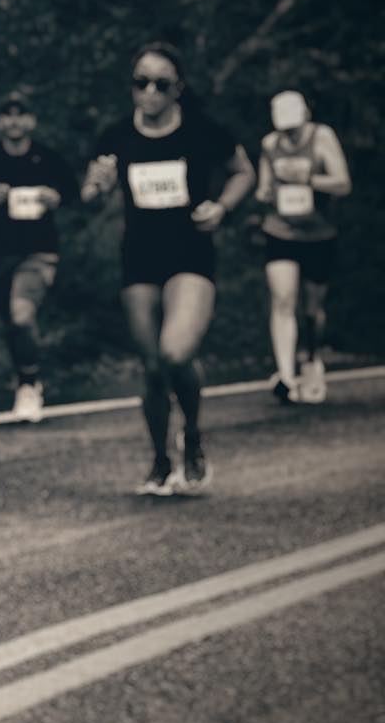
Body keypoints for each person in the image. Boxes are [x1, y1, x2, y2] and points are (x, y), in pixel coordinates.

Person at [80, 42, 254, 496]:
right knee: (153, 366)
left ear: (178, 88)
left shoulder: (201, 131)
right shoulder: (116, 136)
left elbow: (243, 171)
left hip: (190, 255)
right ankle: (160, 457)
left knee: (176, 352)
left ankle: (192, 434)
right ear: (132, 88)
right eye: (141, 82)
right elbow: (90, 192)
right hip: (139, 258)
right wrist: (96, 188)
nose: (150, 91)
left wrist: (222, 207)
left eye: (161, 83)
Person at [0, 92, 78, 422]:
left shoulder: (48, 158)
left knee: (21, 315)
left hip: (39, 252)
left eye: (21, 114)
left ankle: (29, 384)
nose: (14, 121)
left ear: (32, 121)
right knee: (7, 321)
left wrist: (55, 196)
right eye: (7, 115)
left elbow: (74, 195)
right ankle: (24, 375)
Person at [255, 90, 351, 404]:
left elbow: (342, 183)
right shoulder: (270, 145)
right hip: (281, 230)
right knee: (282, 299)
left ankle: (311, 360)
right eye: (285, 129)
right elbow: (263, 188)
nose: (289, 135)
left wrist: (308, 177)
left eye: (293, 128)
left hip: (319, 233)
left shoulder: (322, 138)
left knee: (312, 309)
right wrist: (268, 191)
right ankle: (285, 375)